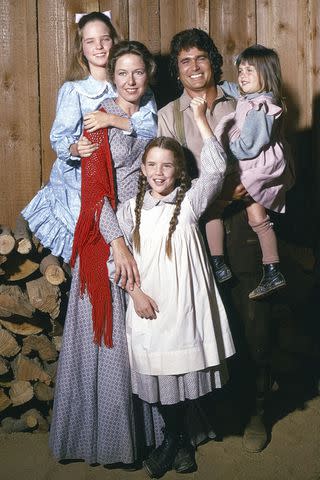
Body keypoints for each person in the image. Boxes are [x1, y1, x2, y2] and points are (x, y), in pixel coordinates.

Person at [158, 28, 275, 453]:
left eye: (200, 58)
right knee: (205, 317)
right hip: (197, 227)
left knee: (253, 314)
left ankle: (258, 410)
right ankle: (216, 409)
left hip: (244, 223)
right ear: (177, 69)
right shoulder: (170, 114)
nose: (193, 67)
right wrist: (220, 195)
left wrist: (251, 189)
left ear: (213, 62)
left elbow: (265, 150)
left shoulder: (238, 99)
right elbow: (168, 176)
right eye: (184, 61)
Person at [49, 40, 162, 467]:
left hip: (146, 225)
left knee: (147, 329)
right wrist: (117, 244)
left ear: (148, 75)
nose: (130, 81)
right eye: (122, 73)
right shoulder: (96, 122)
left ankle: (152, 433)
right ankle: (107, 439)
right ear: (111, 77)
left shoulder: (150, 114)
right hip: (104, 232)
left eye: (138, 72)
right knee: (109, 334)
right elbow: (93, 194)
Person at [116, 134, 235, 478]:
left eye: (167, 165)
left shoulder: (190, 202)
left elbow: (216, 170)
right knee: (157, 374)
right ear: (141, 169)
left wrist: (201, 121)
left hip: (184, 305)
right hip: (147, 304)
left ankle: (174, 442)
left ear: (179, 170)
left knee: (181, 372)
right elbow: (118, 262)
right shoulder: (130, 210)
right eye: (151, 164)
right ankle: (179, 441)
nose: (158, 172)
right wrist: (135, 293)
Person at [21, 11, 157, 263]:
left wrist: (112, 119)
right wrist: (75, 148)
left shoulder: (135, 85)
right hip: (83, 185)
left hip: (125, 182)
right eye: (90, 41)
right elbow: (59, 139)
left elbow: (151, 128)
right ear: (80, 49)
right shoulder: (76, 91)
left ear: (114, 42)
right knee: (92, 256)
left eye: (105, 39)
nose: (99, 47)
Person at [208, 44, 295, 299]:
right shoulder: (255, 97)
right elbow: (237, 89)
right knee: (258, 219)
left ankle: (217, 263)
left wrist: (228, 143)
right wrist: (224, 85)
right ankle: (272, 269)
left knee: (214, 207)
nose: (242, 76)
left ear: (266, 76)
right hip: (258, 166)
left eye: (249, 71)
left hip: (253, 167)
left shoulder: (261, 108)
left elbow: (248, 147)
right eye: (241, 70)